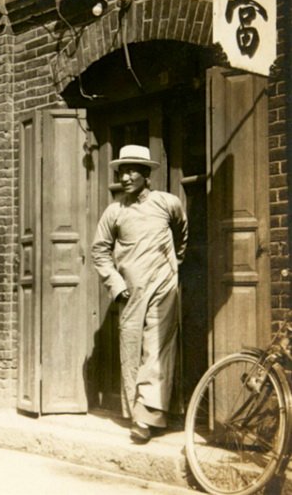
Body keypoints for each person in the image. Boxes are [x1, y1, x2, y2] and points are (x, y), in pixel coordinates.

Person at [91, 145, 188, 444]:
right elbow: (99, 251)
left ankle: (147, 417)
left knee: (158, 346)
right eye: (122, 171)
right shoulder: (115, 211)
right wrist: (117, 285)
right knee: (132, 348)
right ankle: (140, 412)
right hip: (130, 291)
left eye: (133, 170)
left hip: (163, 284)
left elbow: (181, 233)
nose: (126, 176)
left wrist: (174, 264)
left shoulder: (167, 203)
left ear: (147, 175)